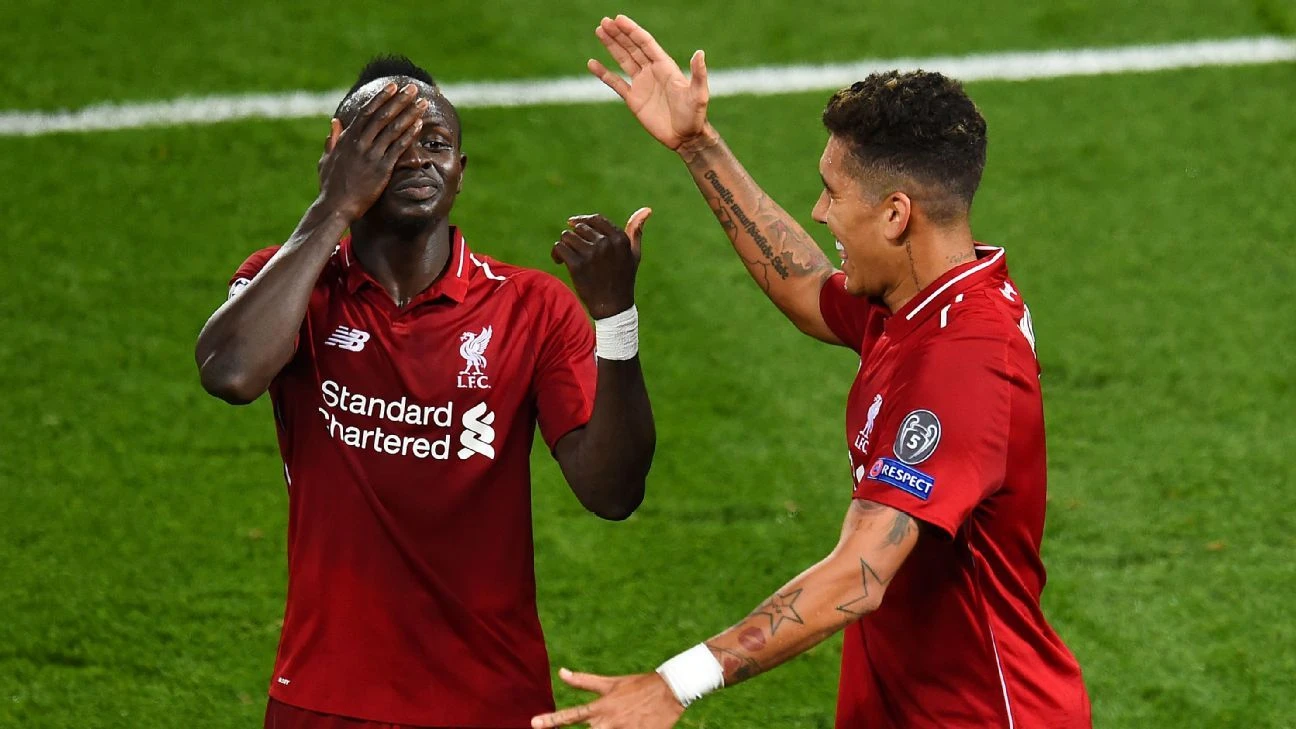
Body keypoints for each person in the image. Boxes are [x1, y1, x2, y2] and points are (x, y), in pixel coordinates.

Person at [530, 16, 1091, 729]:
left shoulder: (964, 363)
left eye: (833, 192)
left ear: (895, 214)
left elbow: (860, 573)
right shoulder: (922, 294)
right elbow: (805, 287)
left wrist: (676, 682)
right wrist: (698, 144)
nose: (820, 211)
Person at [195, 55, 657, 729]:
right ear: (339, 156)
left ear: (460, 172)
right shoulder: (290, 284)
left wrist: (615, 318)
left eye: (435, 143)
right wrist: (333, 206)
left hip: (492, 700)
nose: (416, 160)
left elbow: (612, 492)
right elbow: (231, 373)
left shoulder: (531, 307)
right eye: (387, 143)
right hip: (325, 697)